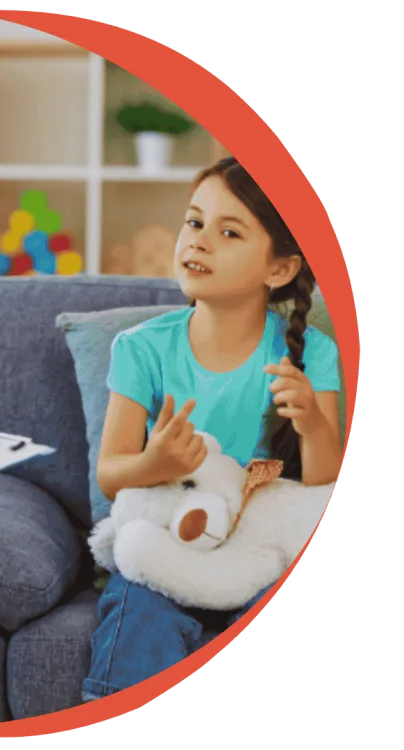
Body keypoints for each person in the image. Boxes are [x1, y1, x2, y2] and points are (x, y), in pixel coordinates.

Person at [81, 156, 342, 701]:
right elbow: (111, 475)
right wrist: (157, 465)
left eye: (229, 232)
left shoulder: (313, 354)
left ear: (279, 268)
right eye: (194, 222)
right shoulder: (141, 349)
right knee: (137, 611)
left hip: (256, 548)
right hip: (165, 537)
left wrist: (314, 424)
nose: (198, 242)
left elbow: (323, 482)